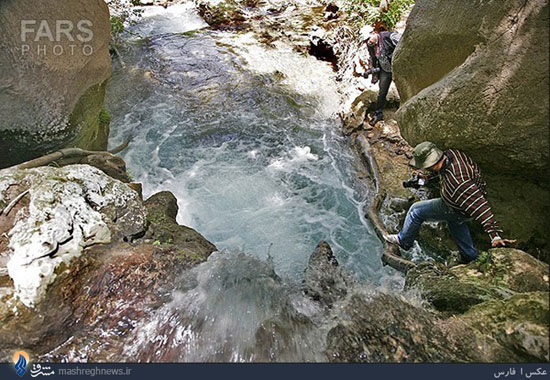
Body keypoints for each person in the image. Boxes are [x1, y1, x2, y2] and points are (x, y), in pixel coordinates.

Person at [384, 141, 516, 263]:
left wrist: (494, 236)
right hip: (460, 204)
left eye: (427, 166)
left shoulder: (458, 182)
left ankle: (403, 241)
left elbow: (481, 207)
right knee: (456, 223)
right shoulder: (451, 154)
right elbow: (442, 173)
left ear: (432, 164)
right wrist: (426, 179)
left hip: (457, 207)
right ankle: (470, 257)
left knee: (415, 211)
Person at [354, 25, 401, 126]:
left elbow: (404, 46)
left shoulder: (389, 36)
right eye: (365, 41)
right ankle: (378, 114)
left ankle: (404, 111)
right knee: (382, 93)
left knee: (403, 89)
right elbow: (373, 58)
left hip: (399, 68)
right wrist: (372, 72)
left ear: (373, 33)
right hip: (385, 70)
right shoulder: (370, 45)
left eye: (368, 39)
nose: (368, 42)